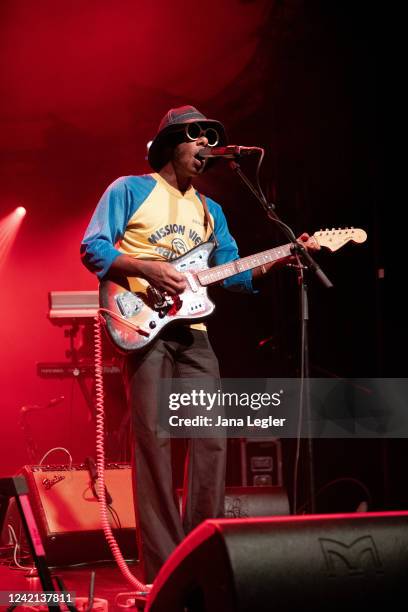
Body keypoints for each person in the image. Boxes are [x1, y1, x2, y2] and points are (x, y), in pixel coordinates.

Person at [80, 104, 315, 583]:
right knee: (155, 442)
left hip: (195, 334)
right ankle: (166, 573)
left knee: (210, 441)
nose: (206, 148)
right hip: (142, 324)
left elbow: (233, 274)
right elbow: (94, 247)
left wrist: (285, 254)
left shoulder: (212, 211)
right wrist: (148, 269)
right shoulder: (130, 189)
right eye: (196, 138)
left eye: (211, 140)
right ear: (169, 144)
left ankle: (199, 559)